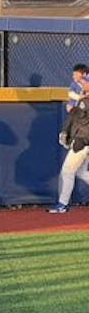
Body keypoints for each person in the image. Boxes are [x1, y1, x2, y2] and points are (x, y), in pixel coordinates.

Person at [48, 72, 89, 213]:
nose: (83, 84)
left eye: (85, 82)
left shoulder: (85, 102)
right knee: (81, 172)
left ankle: (62, 204)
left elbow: (80, 122)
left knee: (67, 171)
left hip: (83, 142)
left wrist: (80, 139)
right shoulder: (83, 100)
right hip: (84, 141)